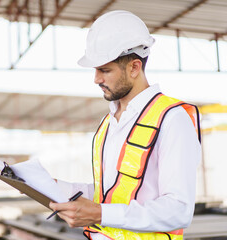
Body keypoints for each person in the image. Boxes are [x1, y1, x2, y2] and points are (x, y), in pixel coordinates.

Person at [49, 10, 202, 240]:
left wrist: (100, 213)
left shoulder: (172, 119)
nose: (96, 79)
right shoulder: (108, 123)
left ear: (134, 67)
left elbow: (179, 210)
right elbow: (110, 193)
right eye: (96, 70)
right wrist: (54, 187)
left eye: (105, 70)